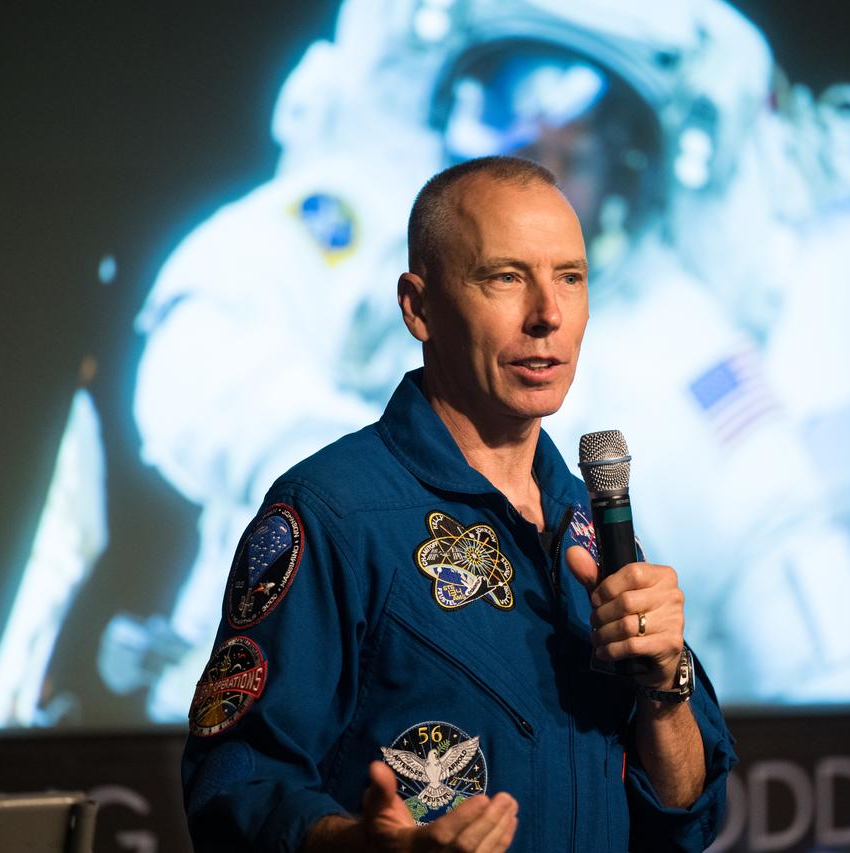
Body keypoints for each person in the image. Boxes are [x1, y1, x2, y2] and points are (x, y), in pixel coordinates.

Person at [181, 156, 736, 852]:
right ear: (418, 306)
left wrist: (665, 687)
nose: (548, 316)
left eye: (570, 277)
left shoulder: (589, 519)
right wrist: (370, 847)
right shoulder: (331, 512)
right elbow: (234, 786)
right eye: (506, 277)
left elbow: (689, 815)